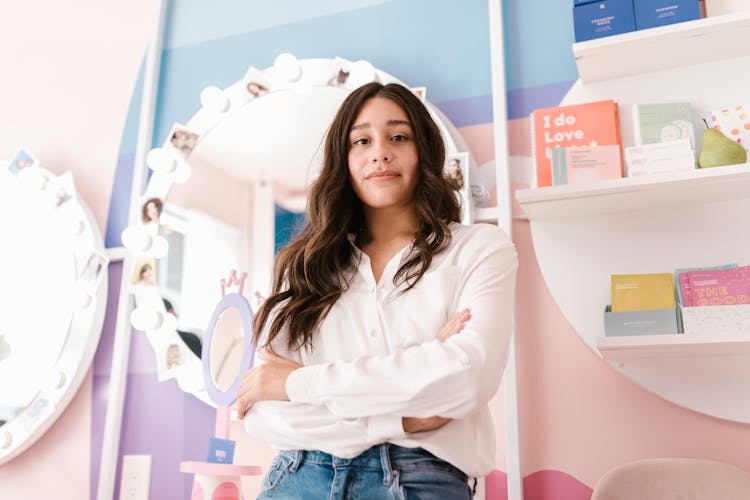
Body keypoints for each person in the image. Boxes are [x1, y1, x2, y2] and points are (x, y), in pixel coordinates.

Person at [237, 82, 518, 499]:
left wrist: (299, 383)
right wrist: (402, 418)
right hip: (297, 476)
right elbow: (263, 413)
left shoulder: (478, 249)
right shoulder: (307, 270)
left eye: (398, 137)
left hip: (418, 480)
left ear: (423, 151)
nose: (380, 152)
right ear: (343, 160)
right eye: (362, 140)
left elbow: (466, 377)